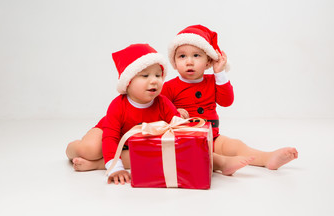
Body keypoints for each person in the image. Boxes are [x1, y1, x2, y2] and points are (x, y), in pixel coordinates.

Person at [66, 43, 254, 185]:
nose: (154, 81)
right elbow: (111, 137)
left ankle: (220, 163)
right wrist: (115, 168)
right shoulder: (118, 106)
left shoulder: (162, 102)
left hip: (133, 144)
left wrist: (187, 125)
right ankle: (74, 149)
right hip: (109, 134)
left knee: (155, 154)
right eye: (145, 76)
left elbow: (180, 129)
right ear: (128, 82)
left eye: (158, 75)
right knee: (91, 150)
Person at [162, 25, 298, 170]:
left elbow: (226, 101)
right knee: (198, 152)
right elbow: (159, 111)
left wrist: (219, 73)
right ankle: (223, 164)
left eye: (196, 55)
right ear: (174, 62)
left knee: (236, 145)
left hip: (212, 136)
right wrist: (175, 114)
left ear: (208, 61)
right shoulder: (169, 87)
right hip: (186, 139)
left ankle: (267, 158)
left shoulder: (213, 81)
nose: (189, 61)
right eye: (182, 56)